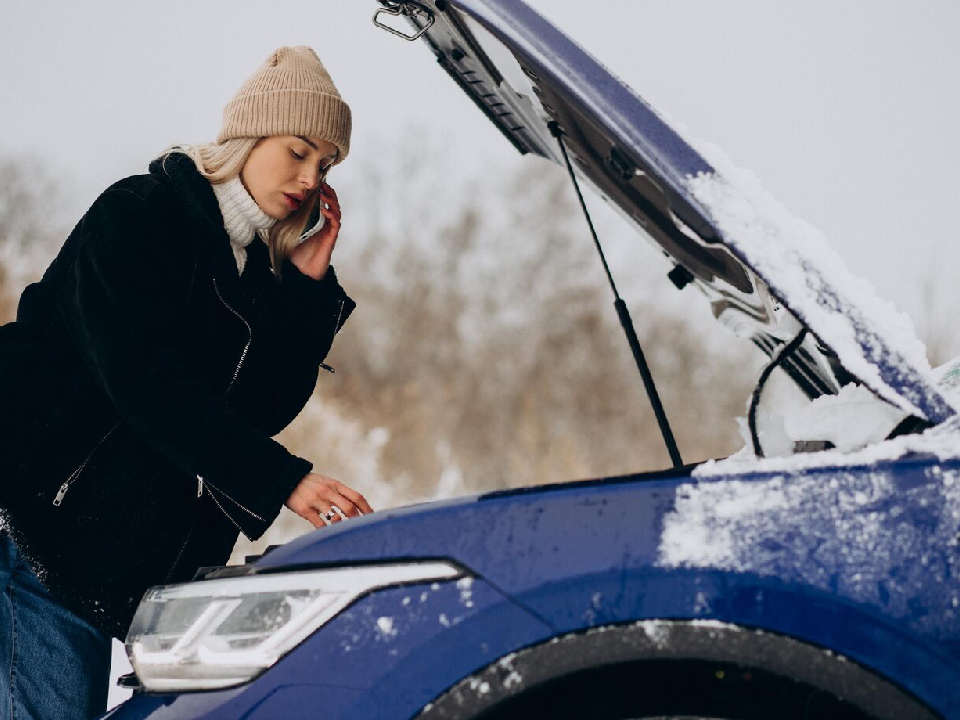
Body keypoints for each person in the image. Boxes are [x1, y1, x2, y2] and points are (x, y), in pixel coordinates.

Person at [0, 45, 372, 719]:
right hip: (33, 524)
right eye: (298, 150)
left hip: (101, 555)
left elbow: (258, 410)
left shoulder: (259, 273)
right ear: (249, 135)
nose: (310, 176)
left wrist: (309, 292)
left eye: (326, 164)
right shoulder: (141, 216)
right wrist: (283, 479)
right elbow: (144, 382)